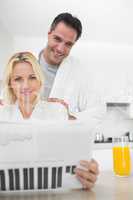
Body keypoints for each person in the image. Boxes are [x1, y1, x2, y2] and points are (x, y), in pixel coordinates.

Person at [0, 51, 99, 189]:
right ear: (10, 83)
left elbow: (74, 154)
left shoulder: (57, 111)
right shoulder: (2, 115)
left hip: (53, 189)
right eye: (18, 79)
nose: (26, 85)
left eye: (32, 77)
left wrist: (86, 170)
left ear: (40, 80)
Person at [38, 13, 100, 189]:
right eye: (57, 39)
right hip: (27, 152)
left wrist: (68, 117)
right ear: (49, 33)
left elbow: (98, 110)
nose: (60, 48)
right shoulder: (24, 65)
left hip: (63, 155)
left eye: (68, 44)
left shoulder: (79, 71)